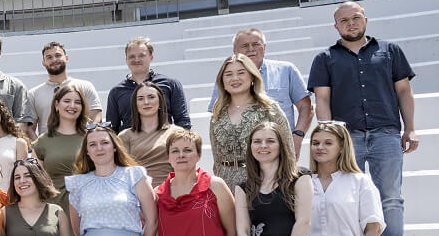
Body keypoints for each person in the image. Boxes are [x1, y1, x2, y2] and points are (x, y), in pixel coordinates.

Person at [309, 0, 420, 236]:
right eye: (344, 20)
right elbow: (322, 99)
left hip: (386, 134)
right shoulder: (325, 58)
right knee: (347, 199)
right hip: (347, 138)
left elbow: (404, 92)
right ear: (336, 26)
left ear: (365, 20)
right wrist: (330, 136)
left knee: (391, 198)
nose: (351, 24)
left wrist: (410, 128)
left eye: (355, 18)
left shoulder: (390, 50)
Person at [209, 28, 312, 153]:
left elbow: (306, 107)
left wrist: (297, 137)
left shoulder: (286, 70)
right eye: (245, 46)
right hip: (241, 154)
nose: (251, 49)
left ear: (264, 47)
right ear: (235, 51)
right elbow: (217, 115)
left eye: (256, 44)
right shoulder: (228, 78)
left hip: (281, 151)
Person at [208, 54, 288, 190]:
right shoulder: (217, 114)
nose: (235, 78)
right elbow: (216, 158)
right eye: (228, 74)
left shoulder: (270, 109)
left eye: (241, 73)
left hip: (264, 182)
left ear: (252, 76)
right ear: (222, 81)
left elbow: (288, 149)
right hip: (227, 184)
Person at [105, 36, 191, 131]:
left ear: (151, 57)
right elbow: (112, 129)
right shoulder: (116, 92)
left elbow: (183, 121)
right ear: (126, 60)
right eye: (132, 56)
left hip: (164, 139)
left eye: (141, 55)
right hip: (130, 140)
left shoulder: (171, 84)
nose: (136, 60)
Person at [32, 83, 87, 211]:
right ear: (57, 105)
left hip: (86, 206)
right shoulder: (42, 141)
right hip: (54, 208)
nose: (72, 106)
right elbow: (36, 182)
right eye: (67, 101)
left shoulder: (91, 138)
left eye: (77, 102)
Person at [30, 41, 102, 132]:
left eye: (58, 55)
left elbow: (96, 116)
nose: (54, 60)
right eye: (49, 57)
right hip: (49, 141)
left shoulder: (85, 86)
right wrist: (40, 142)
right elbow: (30, 129)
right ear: (43, 62)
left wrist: (88, 137)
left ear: (66, 58)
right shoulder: (34, 94)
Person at [117, 83, 180, 186]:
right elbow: (121, 173)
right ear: (135, 104)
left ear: (160, 101)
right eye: (140, 99)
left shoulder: (176, 132)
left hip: (171, 191)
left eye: (151, 97)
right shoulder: (124, 136)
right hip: (137, 192)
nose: (146, 102)